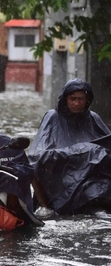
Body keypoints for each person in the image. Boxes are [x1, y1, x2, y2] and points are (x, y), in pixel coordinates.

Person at [27, 78, 111, 215]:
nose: (77, 103)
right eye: (73, 99)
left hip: (91, 180)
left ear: (87, 100)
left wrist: (92, 154)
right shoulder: (52, 117)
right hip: (61, 178)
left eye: (81, 99)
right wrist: (81, 152)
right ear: (65, 99)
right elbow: (36, 157)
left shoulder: (93, 118)